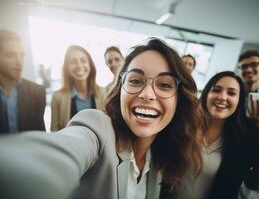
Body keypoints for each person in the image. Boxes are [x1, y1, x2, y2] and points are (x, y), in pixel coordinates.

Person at [0, 38, 202, 199]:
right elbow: (68, 147)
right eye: (135, 80)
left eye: (165, 84)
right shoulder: (97, 128)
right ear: (119, 91)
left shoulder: (162, 157)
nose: (147, 94)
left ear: (179, 100)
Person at [162, 71, 259, 199]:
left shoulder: (243, 141)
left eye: (231, 93)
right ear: (206, 94)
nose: (222, 97)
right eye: (216, 90)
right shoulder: (185, 127)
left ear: (239, 101)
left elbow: (252, 182)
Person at [50, 45, 106, 131]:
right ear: (67, 68)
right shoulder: (57, 97)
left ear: (90, 65)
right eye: (73, 62)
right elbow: (54, 132)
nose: (79, 66)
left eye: (83, 61)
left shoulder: (103, 93)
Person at [0, 29, 45, 134]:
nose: (19, 61)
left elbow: (40, 135)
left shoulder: (37, 92)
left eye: (22, 55)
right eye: (11, 55)